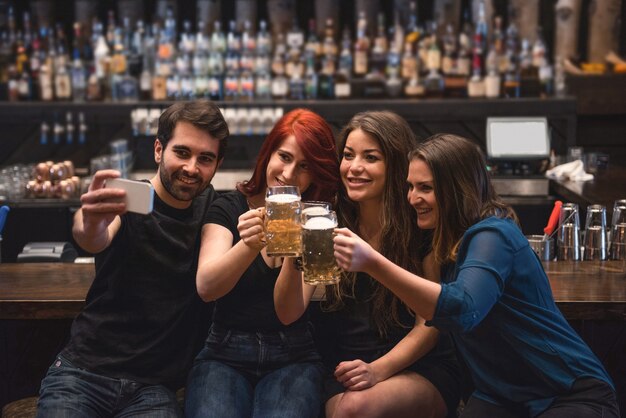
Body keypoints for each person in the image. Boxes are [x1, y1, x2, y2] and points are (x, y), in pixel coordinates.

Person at [333, 133, 620, 418]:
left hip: (565, 393)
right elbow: (431, 313)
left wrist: (372, 262)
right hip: (501, 398)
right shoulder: (442, 244)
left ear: (458, 190)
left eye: (426, 188)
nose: (412, 198)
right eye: (410, 187)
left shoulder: (493, 234)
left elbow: (462, 310)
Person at [36, 100, 229, 417]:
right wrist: (90, 222)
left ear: (216, 165)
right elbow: (94, 236)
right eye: (182, 152)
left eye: (205, 158)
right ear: (158, 150)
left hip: (153, 389)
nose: (192, 168)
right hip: (83, 373)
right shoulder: (129, 198)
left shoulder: (214, 209)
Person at [275, 111, 461, 418]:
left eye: (370, 157)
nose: (354, 167)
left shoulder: (420, 227)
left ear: (396, 165)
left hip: (419, 367)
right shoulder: (327, 221)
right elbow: (288, 312)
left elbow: (430, 324)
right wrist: (296, 250)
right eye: (348, 155)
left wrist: (377, 370)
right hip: (344, 368)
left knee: (357, 408)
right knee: (350, 407)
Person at [184, 108, 340, 418]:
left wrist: (296, 249)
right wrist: (249, 245)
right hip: (224, 351)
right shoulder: (228, 207)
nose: (289, 174)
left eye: (305, 166)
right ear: (268, 154)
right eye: (284, 157)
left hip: (294, 353)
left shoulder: (316, 220)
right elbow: (207, 287)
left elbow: (289, 312)